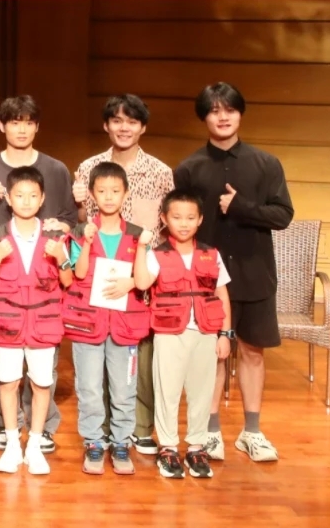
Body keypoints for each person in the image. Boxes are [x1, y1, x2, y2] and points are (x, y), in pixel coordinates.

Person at [174, 82, 293, 463]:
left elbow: (283, 215)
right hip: (206, 280)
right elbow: (179, 223)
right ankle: (209, 432)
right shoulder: (189, 168)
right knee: (213, 355)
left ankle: (252, 432)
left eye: (229, 109)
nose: (222, 117)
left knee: (253, 352)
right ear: (204, 117)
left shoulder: (266, 164)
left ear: (240, 114)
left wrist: (242, 207)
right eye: (214, 110)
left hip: (255, 273)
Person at [0, 94, 76, 454]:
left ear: (37, 126)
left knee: (44, 365)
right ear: (2, 126)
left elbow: (70, 219)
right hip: (1, 279)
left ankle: (42, 428)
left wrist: (60, 232)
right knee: (4, 363)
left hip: (44, 277)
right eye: (15, 122)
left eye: (28, 122)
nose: (22, 129)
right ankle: (5, 424)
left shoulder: (56, 170)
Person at [74, 94, 174, 456]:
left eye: (132, 121)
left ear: (142, 127)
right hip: (95, 285)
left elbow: (166, 233)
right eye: (117, 120)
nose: (124, 127)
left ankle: (137, 429)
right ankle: (97, 433)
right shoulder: (88, 168)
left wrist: (136, 279)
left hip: (140, 284)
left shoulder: (161, 172)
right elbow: (82, 226)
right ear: (106, 125)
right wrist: (78, 206)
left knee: (135, 365)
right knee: (94, 365)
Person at [134, 189, 233, 480]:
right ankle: (167, 447)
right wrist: (141, 248)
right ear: (165, 219)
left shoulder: (211, 255)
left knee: (202, 392)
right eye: (177, 217)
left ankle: (196, 447)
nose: (184, 223)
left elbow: (222, 294)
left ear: (200, 219)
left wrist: (225, 334)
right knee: (167, 391)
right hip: (169, 332)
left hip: (206, 332)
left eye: (190, 217)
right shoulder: (157, 254)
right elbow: (142, 282)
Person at [62, 162, 153, 475]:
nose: (109, 196)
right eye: (102, 191)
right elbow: (79, 274)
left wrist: (131, 281)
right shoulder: (79, 233)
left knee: (124, 388)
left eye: (115, 191)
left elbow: (144, 280)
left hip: (125, 325)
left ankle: (121, 443)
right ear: (91, 194)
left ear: (126, 193)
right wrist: (87, 241)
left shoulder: (138, 235)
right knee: (88, 388)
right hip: (88, 323)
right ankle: (93, 442)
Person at [0, 166, 66, 475]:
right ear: (9, 198)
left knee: (42, 384)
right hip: (8, 324)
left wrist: (61, 258)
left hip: (44, 323)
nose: (26, 201)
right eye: (20, 195)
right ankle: (12, 445)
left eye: (33, 196)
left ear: (42, 199)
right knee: (9, 383)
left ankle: (34, 445)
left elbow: (68, 279)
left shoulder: (56, 236)